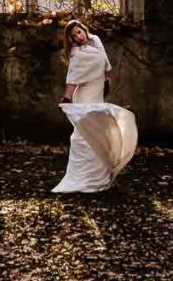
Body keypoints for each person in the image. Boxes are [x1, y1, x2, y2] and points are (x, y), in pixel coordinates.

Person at [52, 20, 137, 193]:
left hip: (97, 94)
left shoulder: (96, 41)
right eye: (73, 36)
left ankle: (100, 178)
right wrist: (67, 98)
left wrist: (106, 80)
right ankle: (83, 178)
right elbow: (73, 78)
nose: (78, 37)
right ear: (71, 40)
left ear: (84, 29)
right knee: (83, 135)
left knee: (100, 132)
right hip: (84, 96)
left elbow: (105, 65)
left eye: (79, 32)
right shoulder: (77, 53)